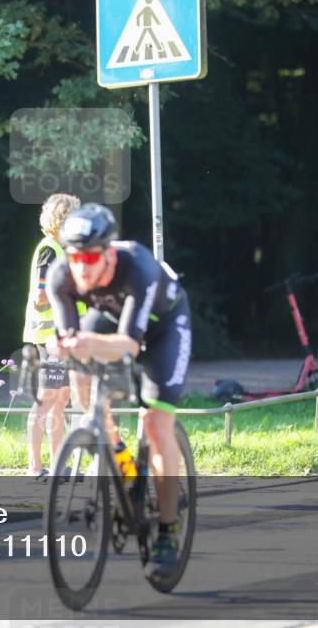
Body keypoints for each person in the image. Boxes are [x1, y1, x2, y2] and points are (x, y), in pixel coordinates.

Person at [46, 203, 191, 582]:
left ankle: (167, 532)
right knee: (78, 370)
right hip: (110, 320)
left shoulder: (138, 267)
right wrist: (63, 346)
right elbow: (66, 339)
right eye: (75, 257)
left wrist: (80, 342)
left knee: (156, 424)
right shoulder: (59, 275)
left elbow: (128, 345)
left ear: (109, 253)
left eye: (91, 257)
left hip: (163, 329)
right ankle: (116, 452)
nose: (82, 266)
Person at [22, 193, 82, 480]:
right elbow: (42, 295)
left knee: (61, 400)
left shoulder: (63, 250)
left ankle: (58, 465)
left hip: (63, 335)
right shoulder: (49, 249)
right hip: (49, 335)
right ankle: (35, 466)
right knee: (47, 399)